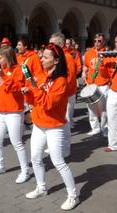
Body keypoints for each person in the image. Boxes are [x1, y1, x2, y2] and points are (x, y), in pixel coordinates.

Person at [22, 43, 79, 210]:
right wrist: (28, 94)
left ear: (55, 61)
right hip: (39, 125)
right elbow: (35, 102)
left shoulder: (61, 81)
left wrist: (34, 89)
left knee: (58, 162)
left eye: (46, 57)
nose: (41, 59)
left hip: (55, 127)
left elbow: (48, 104)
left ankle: (73, 195)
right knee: (35, 158)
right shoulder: (40, 76)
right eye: (42, 56)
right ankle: (41, 187)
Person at [0, 45, 30, 184]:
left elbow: (16, 88)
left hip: (14, 112)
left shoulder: (17, 70)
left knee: (16, 142)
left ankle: (25, 170)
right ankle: (1, 166)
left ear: (7, 58)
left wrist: (3, 76)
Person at [82, 33, 110, 137]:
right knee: (91, 107)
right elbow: (86, 66)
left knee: (103, 109)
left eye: (99, 41)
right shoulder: (89, 53)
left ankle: (105, 127)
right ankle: (95, 128)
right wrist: (84, 72)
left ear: (104, 42)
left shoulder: (107, 53)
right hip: (91, 84)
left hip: (103, 84)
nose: (97, 43)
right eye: (95, 41)